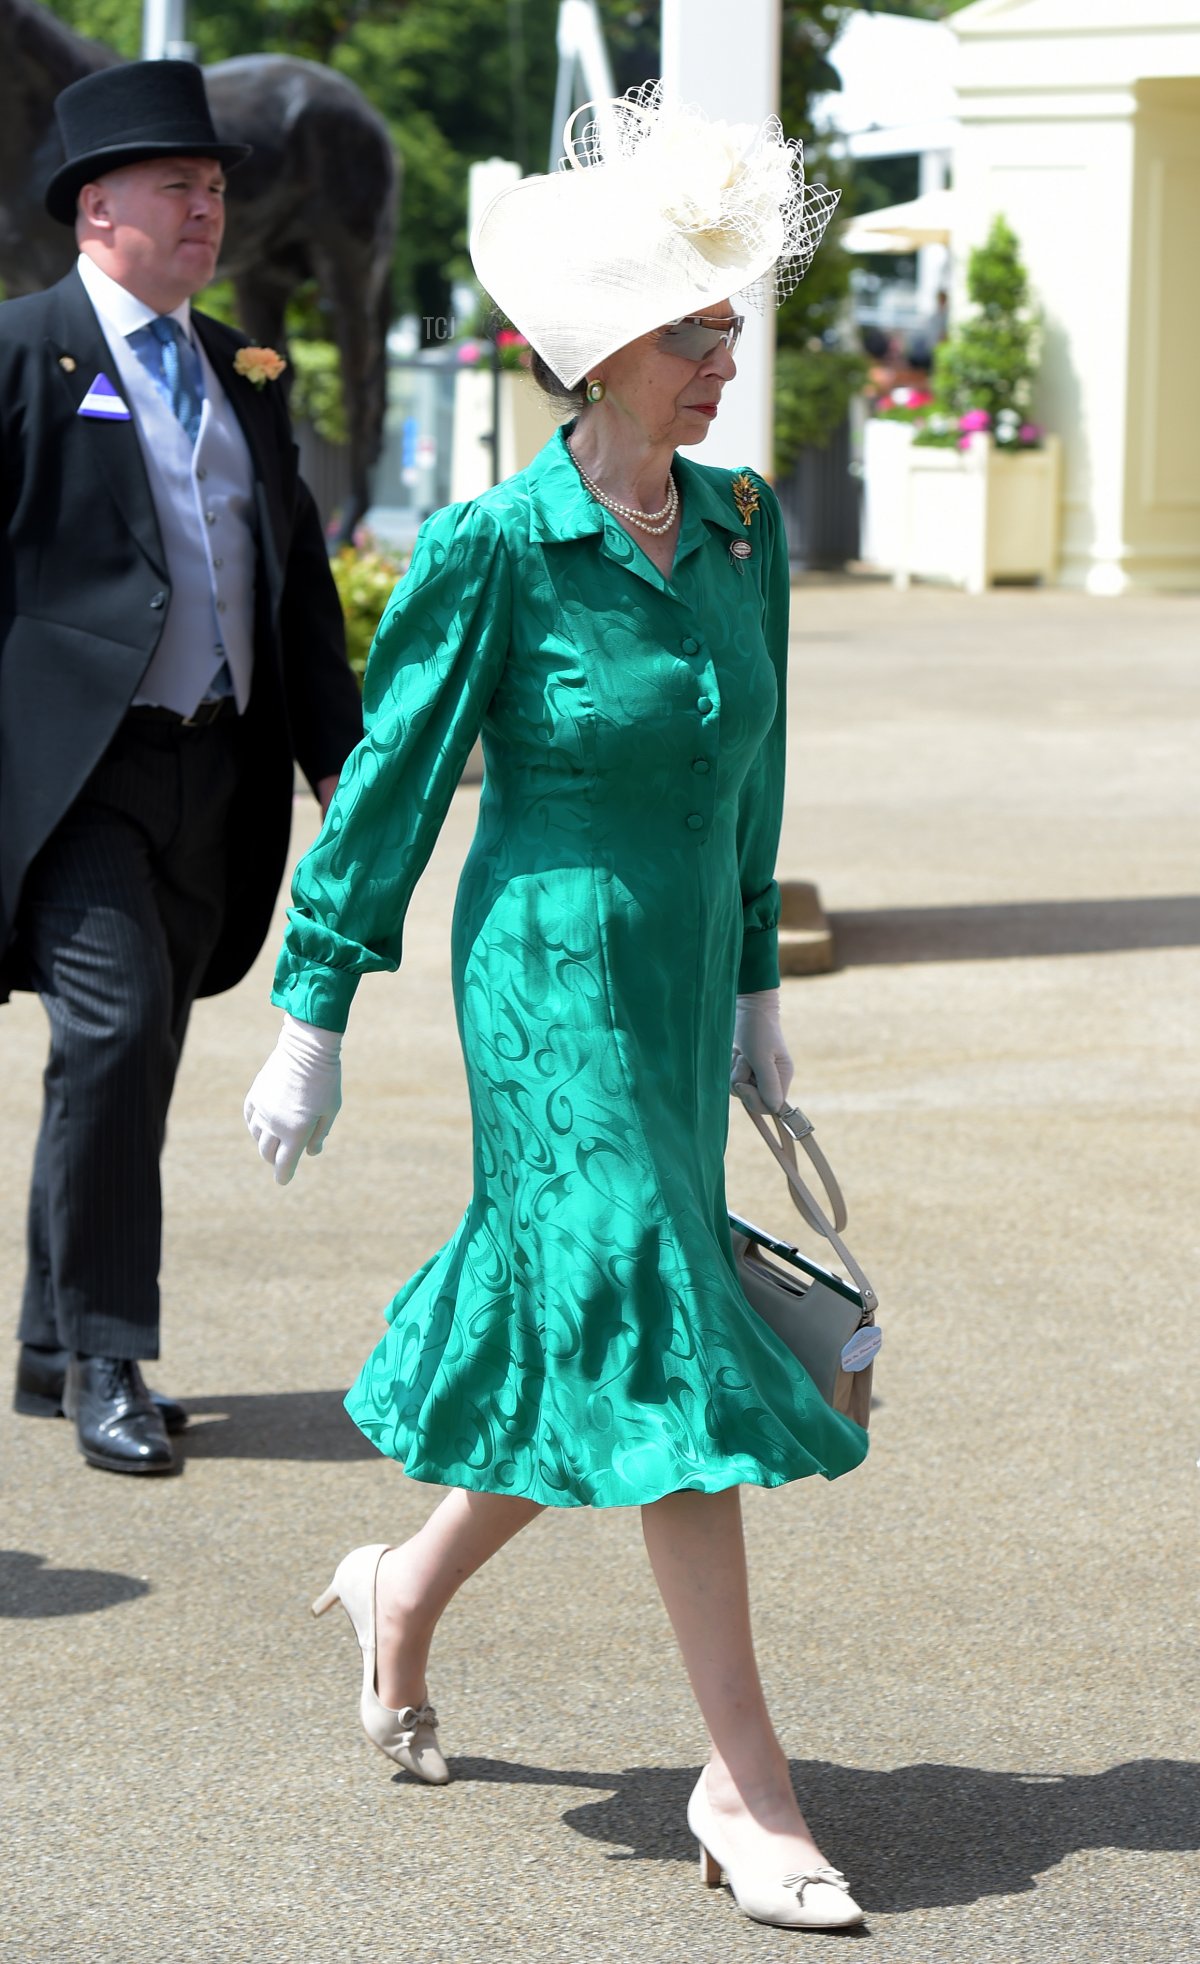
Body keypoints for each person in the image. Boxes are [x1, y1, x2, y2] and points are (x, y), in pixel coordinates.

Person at [245, 84, 869, 1932]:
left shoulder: (746, 529)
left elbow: (752, 771)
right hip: (545, 979)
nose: (723, 362)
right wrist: (314, 1008)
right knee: (665, 1339)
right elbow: (384, 786)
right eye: (694, 333)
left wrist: (756, 988)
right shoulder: (492, 548)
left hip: (676, 977)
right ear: (595, 353)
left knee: (595, 1323)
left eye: (730, 326)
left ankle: (402, 1589)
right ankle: (750, 1790)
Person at [3, 61, 363, 1476]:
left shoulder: (241, 375)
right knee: (108, 1030)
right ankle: (108, 1355)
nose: (209, 210)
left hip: (217, 778)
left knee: (131, 1047)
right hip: (78, 779)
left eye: (216, 190)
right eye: (180, 189)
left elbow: (298, 599)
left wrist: (348, 777)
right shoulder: (23, 358)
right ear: (99, 209)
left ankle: (47, 1338)